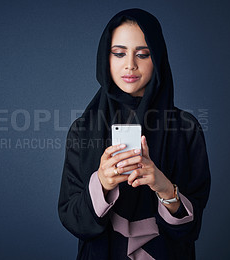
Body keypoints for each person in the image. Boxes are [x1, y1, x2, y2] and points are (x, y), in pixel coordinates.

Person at [58, 8, 211, 260]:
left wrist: (163, 187)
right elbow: (71, 218)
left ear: (158, 59)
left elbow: (191, 229)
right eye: (119, 53)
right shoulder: (83, 129)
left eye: (143, 54)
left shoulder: (185, 128)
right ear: (105, 59)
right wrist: (102, 184)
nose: (130, 64)